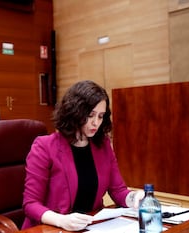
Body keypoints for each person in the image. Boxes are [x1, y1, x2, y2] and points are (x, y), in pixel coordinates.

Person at [22, 80, 144, 231]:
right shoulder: (44, 146)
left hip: (91, 227)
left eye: (100, 116)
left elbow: (118, 190)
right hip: (51, 228)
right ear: (75, 112)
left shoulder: (103, 145)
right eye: (91, 115)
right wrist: (62, 220)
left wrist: (134, 198)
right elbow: (30, 204)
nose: (96, 123)